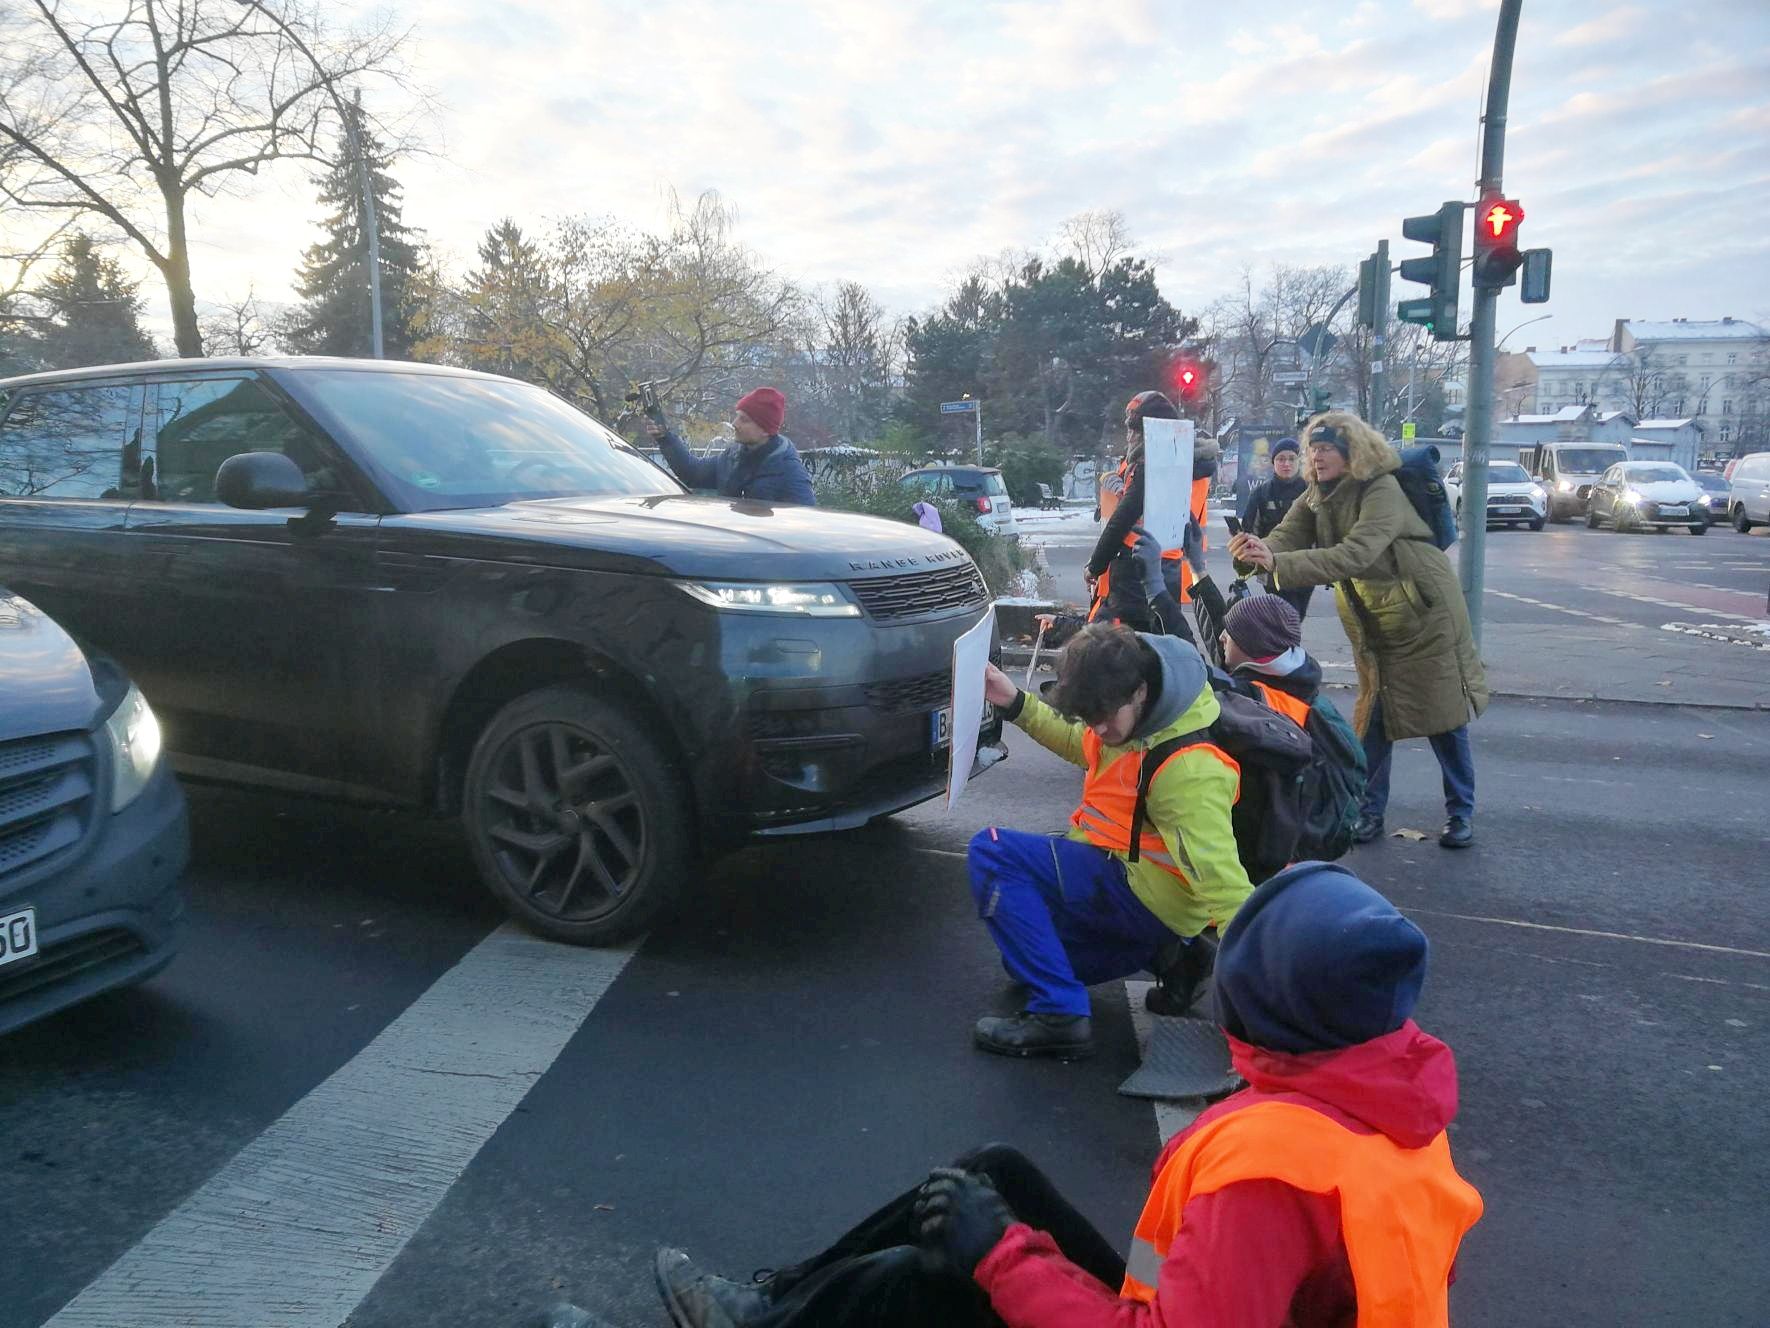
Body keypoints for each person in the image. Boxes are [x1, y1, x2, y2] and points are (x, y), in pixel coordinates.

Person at [637, 863, 1483, 1328]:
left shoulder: (1270, 1176)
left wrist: (1001, 1256)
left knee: (922, 1278)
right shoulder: (1387, 1099)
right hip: (1206, 1307)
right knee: (992, 1171)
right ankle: (773, 1303)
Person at [965, 622, 1253, 1059]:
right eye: (1089, 718)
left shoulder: (1187, 771)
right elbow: (1082, 744)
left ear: (1139, 691)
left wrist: (1267, 999)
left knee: (992, 851)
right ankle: (1175, 956)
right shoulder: (1135, 714)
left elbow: (1223, 881)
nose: (1097, 729)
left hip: (1140, 892)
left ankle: (1059, 1015)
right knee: (1025, 960)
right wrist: (1015, 702)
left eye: (1104, 717)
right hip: (1128, 883)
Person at [1228, 412, 1488, 850]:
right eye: (1314, 447)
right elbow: (1287, 535)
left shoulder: (1381, 488)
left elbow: (1357, 553)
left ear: (1353, 453)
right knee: (1375, 717)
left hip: (1423, 609)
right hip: (1375, 614)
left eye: (1327, 448)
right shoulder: (1318, 492)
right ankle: (1368, 813)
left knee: (1444, 715)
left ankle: (1460, 813)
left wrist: (1280, 565)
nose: (1317, 455)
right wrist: (1257, 550)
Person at [1086, 392, 1218, 623]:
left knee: (1128, 648)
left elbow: (1122, 519)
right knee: (1163, 635)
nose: (1129, 437)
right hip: (1171, 568)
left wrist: (1095, 566)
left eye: (1134, 430)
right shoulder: (1191, 463)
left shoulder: (1151, 466)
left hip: (1135, 569)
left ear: (1149, 432)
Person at [645, 387, 816, 505]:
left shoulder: (790, 472)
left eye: (744, 419)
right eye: (737, 416)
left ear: (765, 430)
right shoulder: (733, 456)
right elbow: (692, 473)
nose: (734, 423)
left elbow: (805, 527)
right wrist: (665, 438)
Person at [1217, 593, 1320, 726]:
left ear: (1250, 644)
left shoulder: (1246, 698)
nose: (1221, 637)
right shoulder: (1301, 681)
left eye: (1229, 632)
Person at [1241, 438, 1313, 620]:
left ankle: (1287, 646)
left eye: (1291, 458)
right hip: (1271, 567)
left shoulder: (1311, 491)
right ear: (1273, 463)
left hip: (1304, 566)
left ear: (1299, 461)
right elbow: (1249, 530)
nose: (1286, 464)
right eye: (1281, 459)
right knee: (1286, 617)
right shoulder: (1262, 493)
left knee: (1297, 616)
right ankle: (1286, 647)